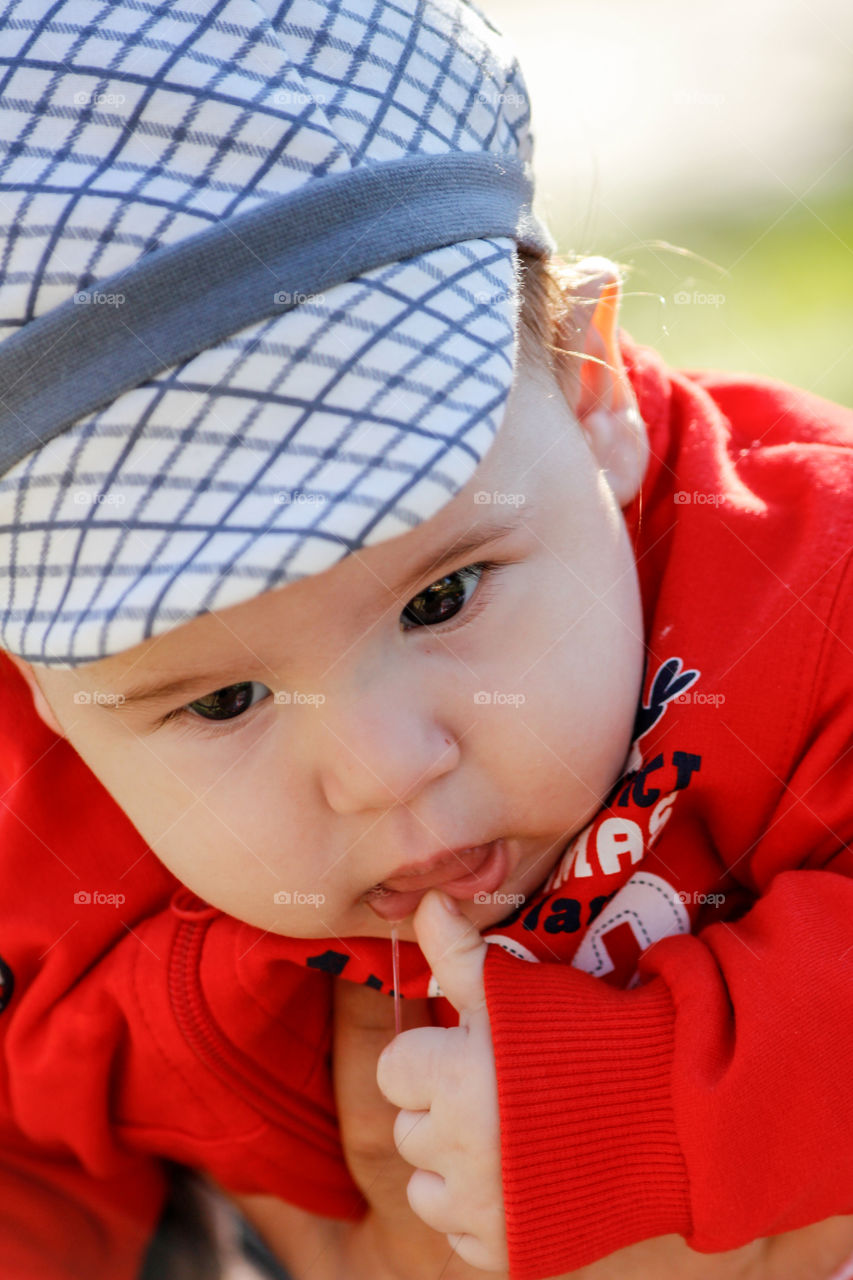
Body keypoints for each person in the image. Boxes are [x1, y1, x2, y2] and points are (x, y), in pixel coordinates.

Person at [1, 2, 852, 1279]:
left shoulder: (806, 584)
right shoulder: (38, 838)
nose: (386, 763)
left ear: (589, 385)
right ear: (38, 682)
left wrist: (642, 1109)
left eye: (441, 600)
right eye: (224, 699)